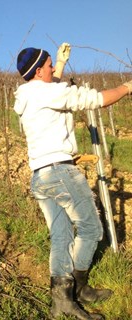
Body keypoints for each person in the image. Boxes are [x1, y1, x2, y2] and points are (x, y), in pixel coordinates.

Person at [14, 43, 132, 320]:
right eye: (49, 65)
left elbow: (49, 86)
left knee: (61, 236)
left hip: (40, 176)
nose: (53, 68)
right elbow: (97, 100)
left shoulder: (27, 95)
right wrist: (127, 88)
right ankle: (77, 288)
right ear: (39, 71)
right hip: (60, 172)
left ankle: (62, 302)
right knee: (92, 230)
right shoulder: (49, 92)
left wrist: (61, 63)